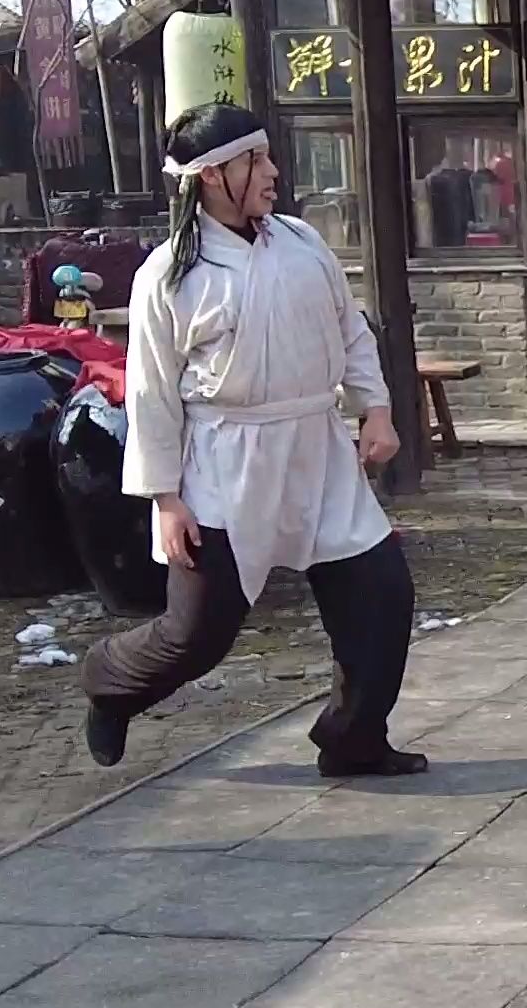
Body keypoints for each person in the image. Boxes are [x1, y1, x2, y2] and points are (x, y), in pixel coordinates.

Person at [80, 102, 426, 777]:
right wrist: (165, 498)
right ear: (213, 175)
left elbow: (348, 329)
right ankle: (109, 681)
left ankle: (353, 737)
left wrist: (376, 409)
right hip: (223, 462)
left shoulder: (301, 242)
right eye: (255, 160)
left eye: (267, 157)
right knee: (195, 638)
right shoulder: (169, 275)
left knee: (382, 595)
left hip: (316, 449)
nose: (272, 172)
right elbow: (150, 392)